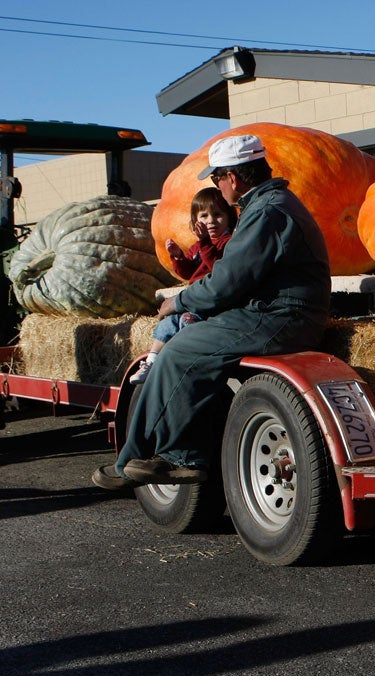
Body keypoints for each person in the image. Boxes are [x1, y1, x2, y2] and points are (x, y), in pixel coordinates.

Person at [92, 134, 331, 488]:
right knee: (189, 343)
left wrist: (180, 301)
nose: (218, 186)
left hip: (279, 316)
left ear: (232, 178)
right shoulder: (270, 204)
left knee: (179, 352)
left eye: (217, 178)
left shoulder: (266, 211)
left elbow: (226, 283)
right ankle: (140, 457)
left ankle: (174, 457)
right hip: (275, 311)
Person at [130, 187, 237, 384]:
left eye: (218, 215)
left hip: (211, 303)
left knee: (187, 322)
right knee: (167, 324)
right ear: (195, 221)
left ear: (229, 217)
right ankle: (152, 360)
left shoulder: (229, 243)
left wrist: (205, 243)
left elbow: (218, 269)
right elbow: (188, 273)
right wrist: (178, 257)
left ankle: (187, 364)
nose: (211, 221)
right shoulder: (198, 246)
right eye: (204, 215)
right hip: (193, 298)